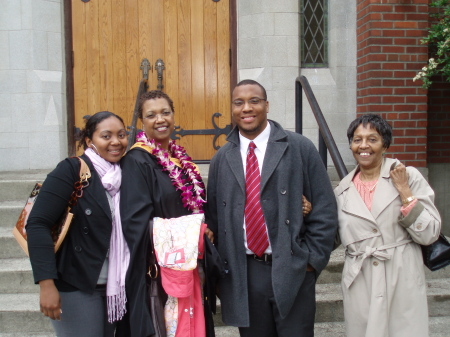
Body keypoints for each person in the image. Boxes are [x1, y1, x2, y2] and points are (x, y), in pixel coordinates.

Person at [205, 79, 338, 337]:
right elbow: (214, 219)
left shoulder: (299, 147)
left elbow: (325, 209)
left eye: (254, 101)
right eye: (239, 102)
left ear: (267, 105)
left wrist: (311, 259)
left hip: (292, 265)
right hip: (245, 272)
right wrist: (221, 271)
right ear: (232, 109)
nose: (247, 108)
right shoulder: (222, 158)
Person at [118, 90, 216, 337]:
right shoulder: (136, 161)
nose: (160, 119)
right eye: (151, 115)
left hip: (193, 264)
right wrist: (194, 233)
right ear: (142, 121)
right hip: (160, 269)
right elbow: (135, 222)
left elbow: (199, 207)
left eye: (165, 112)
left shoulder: (182, 161)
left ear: (173, 115)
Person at [334, 113, 441, 337]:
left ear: (385, 145)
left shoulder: (407, 176)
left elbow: (430, 233)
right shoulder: (342, 190)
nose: (363, 145)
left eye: (372, 139)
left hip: (401, 276)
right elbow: (333, 235)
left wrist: (405, 192)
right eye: (357, 139)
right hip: (360, 280)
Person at [26, 111, 129, 336]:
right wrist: (46, 284)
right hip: (77, 284)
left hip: (115, 286)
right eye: (106, 136)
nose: (116, 142)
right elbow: (37, 224)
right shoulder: (72, 169)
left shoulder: (126, 173)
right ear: (89, 141)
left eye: (121, 135)